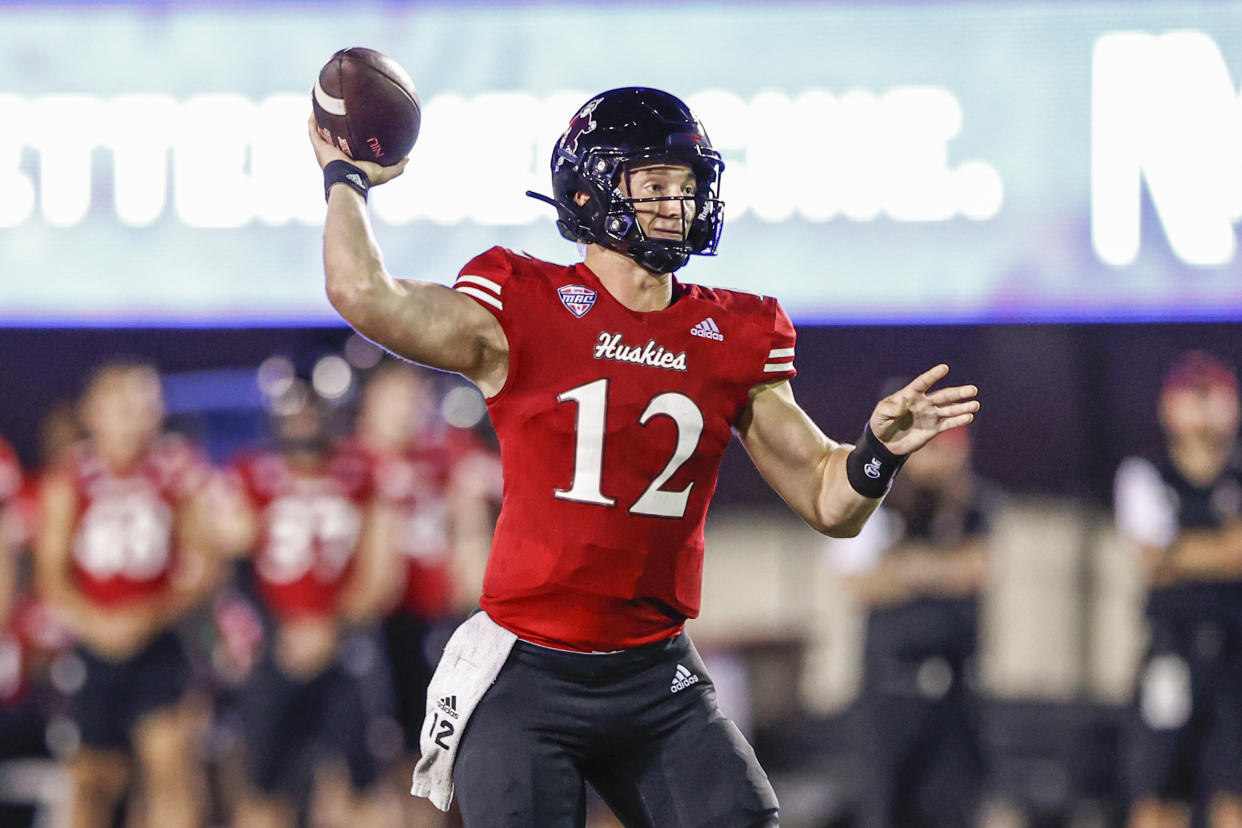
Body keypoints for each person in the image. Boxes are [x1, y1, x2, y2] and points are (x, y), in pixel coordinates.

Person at [308, 85, 979, 827]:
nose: (676, 204)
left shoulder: (732, 333)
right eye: (655, 184)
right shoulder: (522, 302)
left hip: (655, 674)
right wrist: (346, 181)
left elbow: (831, 499)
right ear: (591, 189)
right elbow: (362, 292)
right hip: (524, 676)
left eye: (687, 187)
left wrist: (878, 452)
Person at [34, 360, 218, 828]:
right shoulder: (70, 477)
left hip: (158, 641)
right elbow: (51, 575)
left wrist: (148, 615)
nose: (131, 420)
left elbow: (203, 566)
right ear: (91, 412)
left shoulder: (177, 471)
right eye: (119, 407)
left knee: (170, 769)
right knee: (93, 778)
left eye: (142, 406)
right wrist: (97, 624)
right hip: (92, 646)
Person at [219, 389, 396, 828]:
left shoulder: (364, 472)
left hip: (344, 644)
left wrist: (332, 629)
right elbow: (225, 561)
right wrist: (273, 633)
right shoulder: (249, 474)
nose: (303, 425)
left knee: (360, 786)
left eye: (311, 412)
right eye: (294, 414)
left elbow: (381, 570)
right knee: (263, 787)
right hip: (271, 646)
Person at [344, 360, 501, 826]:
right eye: (394, 395)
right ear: (367, 403)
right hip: (371, 627)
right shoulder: (349, 463)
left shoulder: (446, 455)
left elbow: (508, 481)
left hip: (439, 625)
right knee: (372, 766)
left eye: (415, 395)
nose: (407, 407)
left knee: (430, 762)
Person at [832, 424, 995, 827]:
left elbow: (977, 569)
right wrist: (940, 569)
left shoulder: (973, 506)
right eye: (935, 451)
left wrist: (907, 566)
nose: (945, 462)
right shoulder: (872, 499)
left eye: (953, 451)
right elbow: (860, 584)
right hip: (889, 696)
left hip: (953, 694)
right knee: (884, 812)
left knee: (952, 811)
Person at [1113, 351, 1242, 828]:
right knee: (1158, 788)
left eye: (1215, 398)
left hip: (1235, 652)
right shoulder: (1146, 473)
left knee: (1233, 791)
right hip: (1173, 650)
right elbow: (1153, 561)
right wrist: (1221, 549)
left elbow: (1175, 554)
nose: (1205, 411)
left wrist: (1183, 552)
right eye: (1194, 398)